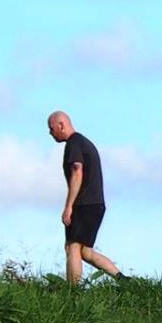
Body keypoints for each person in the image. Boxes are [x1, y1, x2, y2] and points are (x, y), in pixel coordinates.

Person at [45, 111, 122, 285]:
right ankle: (124, 280)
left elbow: (77, 171)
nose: (50, 133)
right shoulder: (84, 142)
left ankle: (73, 292)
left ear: (61, 125)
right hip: (96, 204)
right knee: (85, 252)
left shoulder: (74, 143)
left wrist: (69, 206)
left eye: (51, 129)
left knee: (72, 247)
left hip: (84, 204)